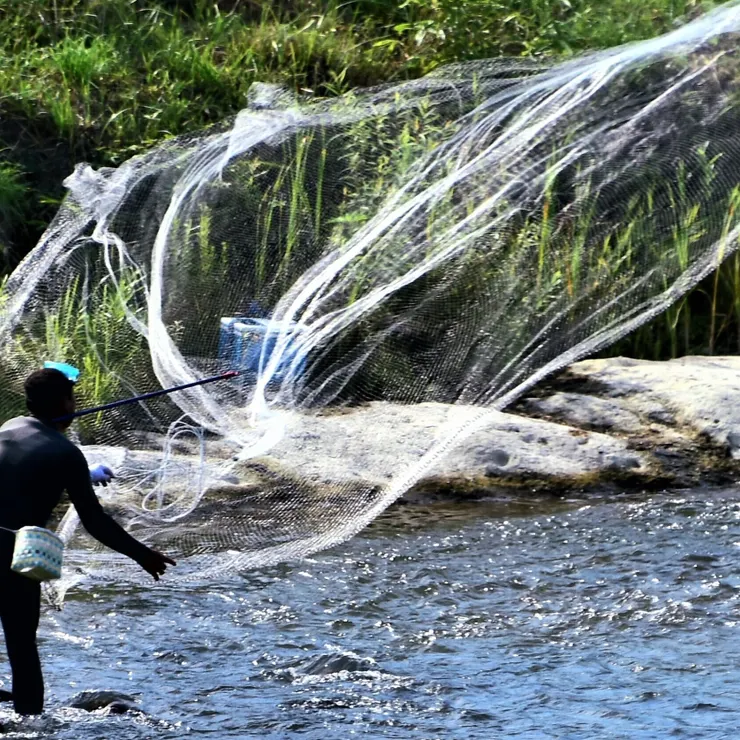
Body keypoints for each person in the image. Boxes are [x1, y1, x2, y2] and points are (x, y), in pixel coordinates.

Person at [0, 368, 176, 715]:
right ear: (66, 403)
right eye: (73, 398)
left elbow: (23, 472)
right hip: (12, 553)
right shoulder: (66, 453)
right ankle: (30, 725)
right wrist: (142, 555)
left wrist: (83, 474)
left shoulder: (8, 427)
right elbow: (95, 522)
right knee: (22, 647)